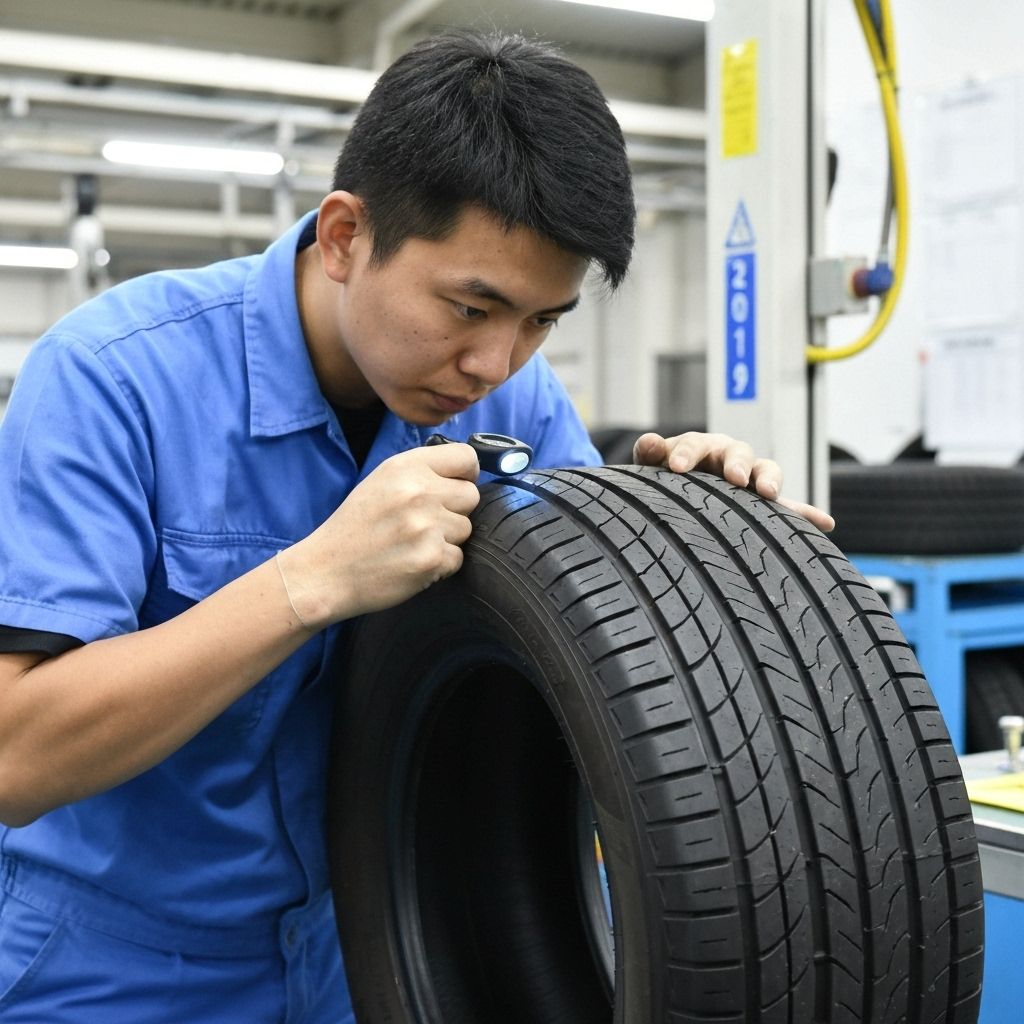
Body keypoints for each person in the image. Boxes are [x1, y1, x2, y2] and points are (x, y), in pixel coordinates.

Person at [0, 30, 832, 1024]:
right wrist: (307, 582)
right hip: (111, 963)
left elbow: (597, 657)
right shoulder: (113, 379)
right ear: (346, 235)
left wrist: (690, 538)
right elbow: (16, 758)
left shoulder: (513, 409)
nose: (496, 362)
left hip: (361, 945)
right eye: (471, 305)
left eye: (540, 321)